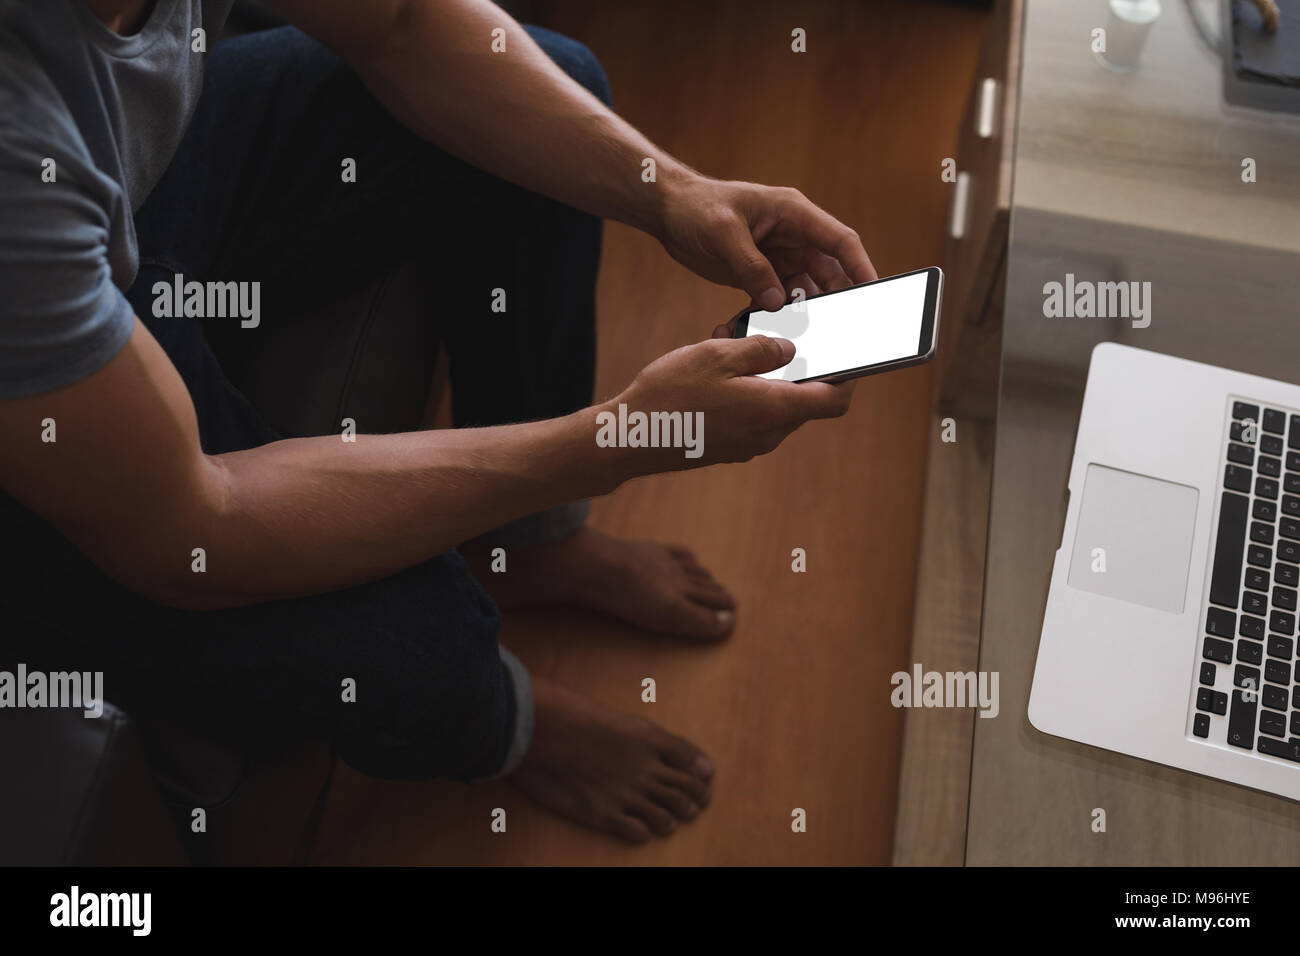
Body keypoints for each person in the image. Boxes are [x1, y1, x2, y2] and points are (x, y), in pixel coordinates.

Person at [0, 0, 876, 844]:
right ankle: (508, 725)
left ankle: (531, 547)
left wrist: (675, 194)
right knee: (402, 637)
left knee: (555, 87)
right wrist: (620, 437)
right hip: (44, 410)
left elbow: (404, 21)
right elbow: (196, 522)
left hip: (113, 189)